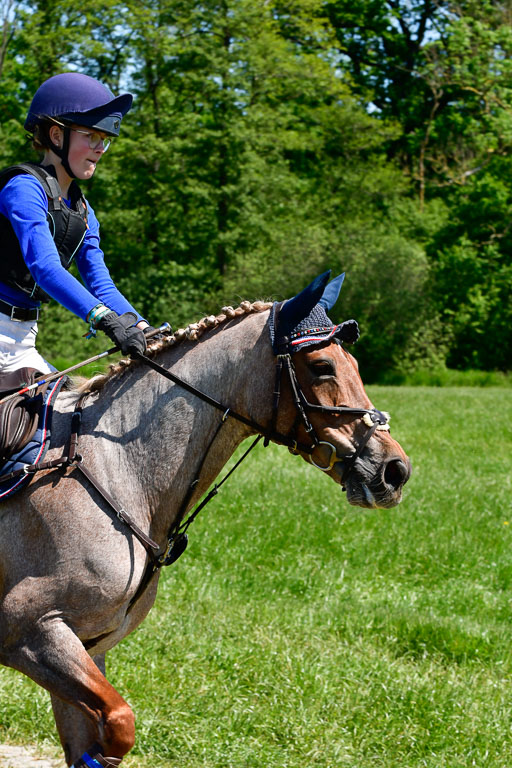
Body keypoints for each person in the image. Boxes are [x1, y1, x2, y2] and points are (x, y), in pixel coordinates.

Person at [0, 72, 148, 376]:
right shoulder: (23, 189)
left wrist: (142, 326)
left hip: (24, 342)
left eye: (104, 142)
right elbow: (46, 267)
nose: (99, 149)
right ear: (56, 136)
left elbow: (100, 282)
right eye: (91, 137)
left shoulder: (83, 211)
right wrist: (103, 318)